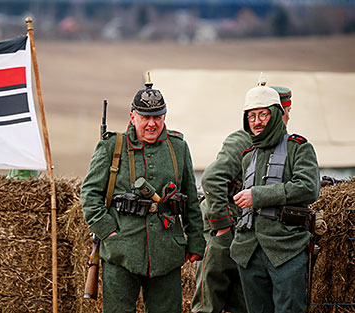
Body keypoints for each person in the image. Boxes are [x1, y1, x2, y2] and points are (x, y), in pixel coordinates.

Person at [81, 78, 206, 313]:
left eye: (157, 117)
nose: (152, 124)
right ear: (133, 117)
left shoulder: (178, 147)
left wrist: (196, 240)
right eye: (145, 117)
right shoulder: (112, 147)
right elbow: (90, 194)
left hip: (167, 250)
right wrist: (109, 232)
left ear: (164, 117)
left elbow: (190, 195)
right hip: (121, 251)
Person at [191, 84, 293, 313]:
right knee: (209, 301)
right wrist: (222, 227)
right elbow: (212, 179)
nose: (286, 117)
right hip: (225, 229)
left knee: (243, 302)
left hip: (246, 235)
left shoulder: (280, 145)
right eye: (257, 115)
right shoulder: (242, 140)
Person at [230, 84, 320, 313]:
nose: (257, 121)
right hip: (249, 252)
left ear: (277, 115)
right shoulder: (247, 155)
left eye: (263, 114)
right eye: (251, 116)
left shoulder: (298, 148)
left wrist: (257, 196)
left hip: (286, 248)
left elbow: (309, 187)